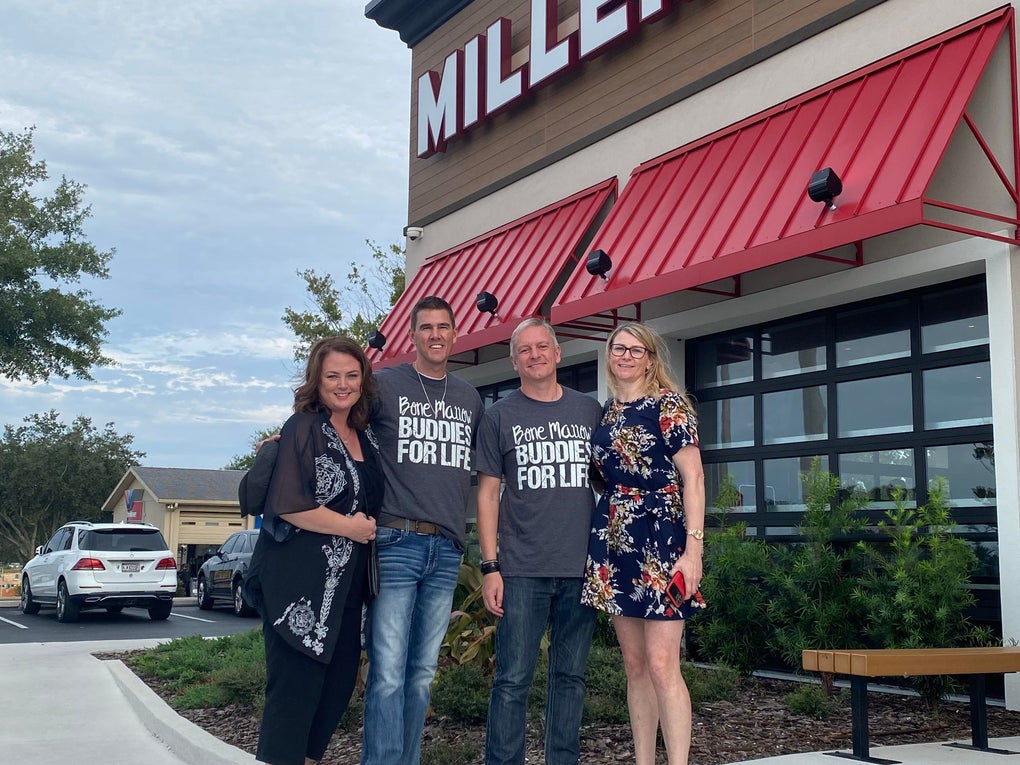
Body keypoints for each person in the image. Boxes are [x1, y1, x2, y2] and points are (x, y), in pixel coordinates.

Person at [246, 336, 383, 765]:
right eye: (332, 376)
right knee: (293, 697)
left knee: (336, 691)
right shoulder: (303, 427)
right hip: (298, 587)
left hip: (347, 590)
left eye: (351, 375)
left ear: (363, 380)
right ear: (316, 381)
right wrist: (351, 528)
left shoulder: (363, 435)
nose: (343, 385)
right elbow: (288, 505)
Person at [361, 295, 483, 765]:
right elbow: (339, 419)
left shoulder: (470, 397)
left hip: (446, 550)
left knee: (422, 675)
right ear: (413, 335)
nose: (435, 335)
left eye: (443, 327)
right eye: (426, 327)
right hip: (396, 539)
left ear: (455, 334)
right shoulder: (385, 384)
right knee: (388, 673)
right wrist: (292, 435)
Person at [475, 318, 602, 765]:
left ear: (558, 353)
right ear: (514, 361)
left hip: (579, 567)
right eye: (525, 350)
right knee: (512, 680)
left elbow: (608, 480)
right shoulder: (498, 417)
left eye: (542, 346)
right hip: (521, 569)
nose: (535, 355)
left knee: (571, 678)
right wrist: (490, 566)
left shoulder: (589, 411)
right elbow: (487, 494)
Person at [581, 322, 706, 765]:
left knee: (661, 664)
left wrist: (693, 551)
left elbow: (694, 478)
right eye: (619, 349)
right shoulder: (606, 412)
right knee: (634, 665)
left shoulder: (668, 405)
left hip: (663, 539)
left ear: (651, 359)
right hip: (616, 540)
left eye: (636, 350)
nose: (626, 356)